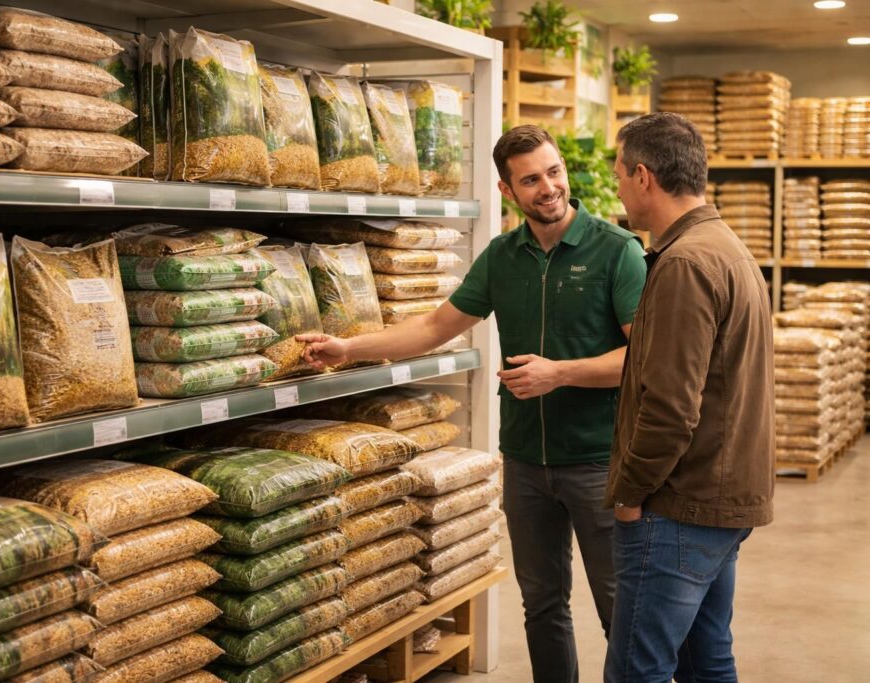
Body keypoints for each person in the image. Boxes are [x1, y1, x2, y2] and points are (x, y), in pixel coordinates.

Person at [298, 124, 647, 683]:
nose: (548, 188)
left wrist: (561, 373)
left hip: (599, 461)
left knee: (621, 610)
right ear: (509, 191)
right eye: (530, 180)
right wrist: (348, 348)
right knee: (543, 606)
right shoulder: (502, 257)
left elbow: (645, 358)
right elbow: (436, 326)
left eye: (553, 172)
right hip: (528, 462)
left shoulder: (617, 251)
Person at [604, 112, 775, 683]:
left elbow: (672, 408)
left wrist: (630, 492)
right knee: (706, 661)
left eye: (621, 174)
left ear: (644, 176)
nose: (619, 187)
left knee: (637, 670)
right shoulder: (725, 247)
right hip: (719, 500)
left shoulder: (684, 263)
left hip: (680, 506)